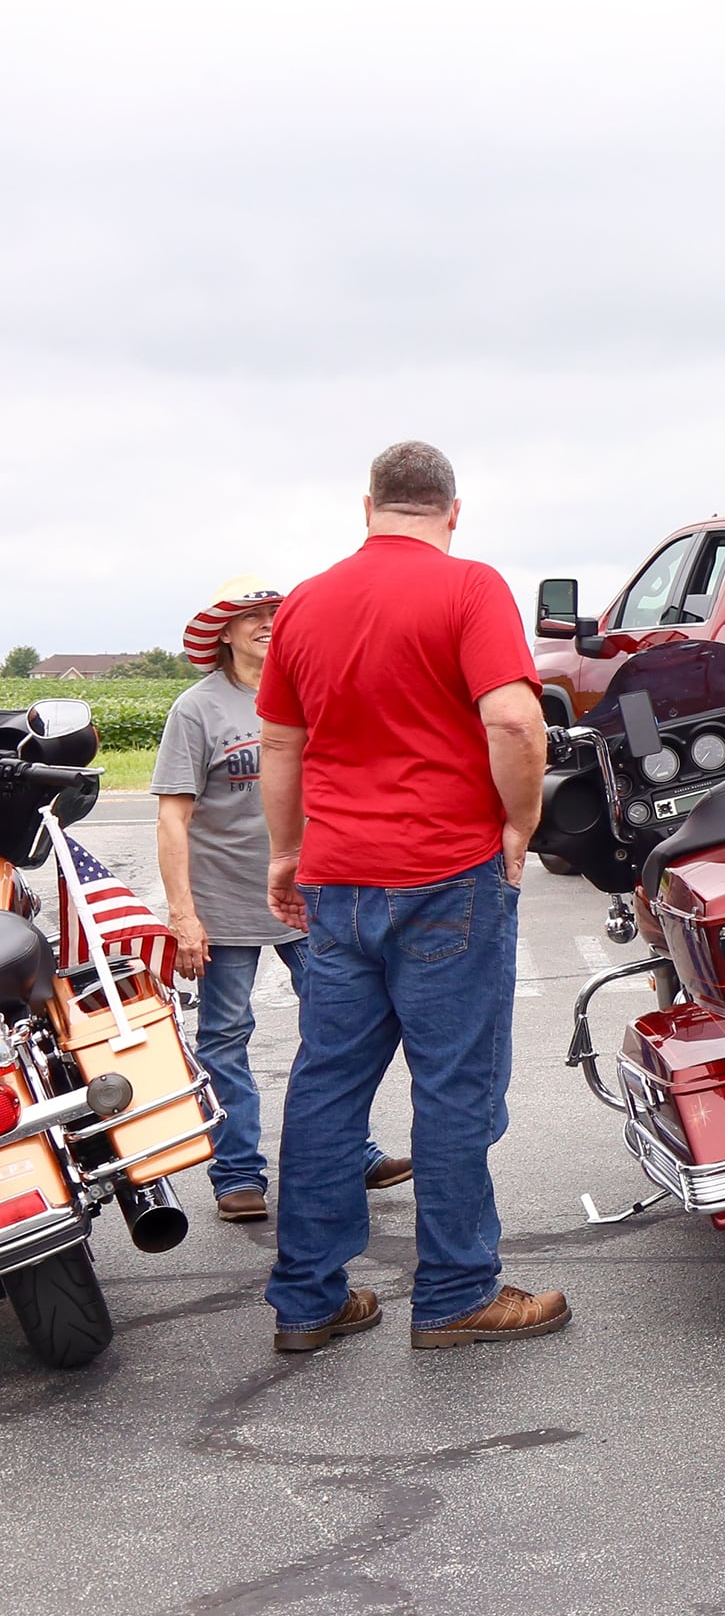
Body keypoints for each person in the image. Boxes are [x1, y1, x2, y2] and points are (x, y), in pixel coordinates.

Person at [257, 440, 567, 1353]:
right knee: (453, 1088)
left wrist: (286, 852)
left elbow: (280, 746)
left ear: (367, 506)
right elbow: (513, 717)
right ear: (452, 511)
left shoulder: (306, 602)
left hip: (337, 876)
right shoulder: (469, 588)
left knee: (325, 1086)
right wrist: (520, 824)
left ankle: (308, 1300)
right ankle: (458, 1292)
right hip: (445, 877)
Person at [157, 576, 408, 1223]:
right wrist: (184, 914)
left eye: (277, 613)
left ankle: (351, 1153)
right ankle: (238, 1174)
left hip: (309, 897)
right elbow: (172, 819)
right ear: (224, 633)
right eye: (253, 615)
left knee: (340, 1028)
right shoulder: (198, 709)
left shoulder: (307, 695)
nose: (268, 623)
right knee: (225, 1036)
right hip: (226, 907)